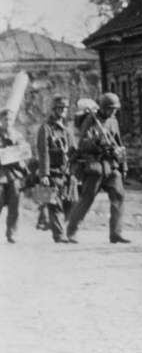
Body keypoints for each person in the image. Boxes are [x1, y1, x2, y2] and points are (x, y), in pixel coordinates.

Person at [66, 92, 129, 244]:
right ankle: (71, 231)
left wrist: (123, 165)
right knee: (87, 199)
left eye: (115, 109)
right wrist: (97, 140)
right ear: (102, 108)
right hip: (95, 166)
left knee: (119, 197)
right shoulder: (90, 120)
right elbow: (82, 144)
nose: (113, 111)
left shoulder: (113, 121)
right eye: (110, 109)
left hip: (111, 165)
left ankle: (116, 233)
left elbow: (118, 143)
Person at [36, 95, 77, 243]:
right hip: (52, 171)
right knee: (54, 203)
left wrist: (75, 171)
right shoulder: (46, 128)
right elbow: (43, 152)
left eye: (65, 108)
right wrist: (44, 174)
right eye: (60, 108)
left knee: (72, 202)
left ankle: (46, 222)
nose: (63, 111)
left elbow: (73, 151)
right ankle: (59, 235)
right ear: (54, 109)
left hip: (66, 172)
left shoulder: (67, 129)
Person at [0, 107, 30, 243]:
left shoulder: (17, 135)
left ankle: (12, 233)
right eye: (5, 119)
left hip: (14, 174)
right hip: (1, 173)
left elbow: (24, 152)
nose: (7, 121)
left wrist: (15, 154)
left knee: (15, 204)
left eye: (10, 119)